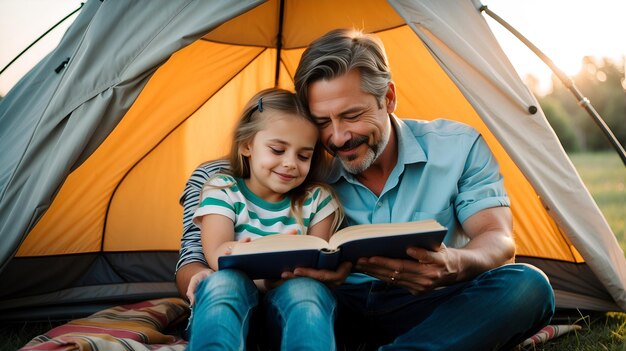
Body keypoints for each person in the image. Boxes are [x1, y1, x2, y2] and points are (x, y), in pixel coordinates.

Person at [177, 29, 555, 350]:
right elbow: (198, 259)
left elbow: (497, 237)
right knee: (301, 303)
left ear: (388, 98)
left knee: (528, 286)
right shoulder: (298, 164)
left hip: (425, 304)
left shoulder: (457, 146)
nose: (338, 137)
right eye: (322, 121)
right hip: (328, 307)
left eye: (352, 115)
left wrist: (455, 265)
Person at [185, 88, 343, 350]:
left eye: (304, 155)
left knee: (307, 291)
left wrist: (286, 272)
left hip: (286, 311)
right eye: (278, 150)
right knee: (223, 282)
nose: (291, 163)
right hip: (230, 306)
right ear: (247, 145)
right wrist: (256, 263)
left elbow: (316, 262)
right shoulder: (222, 190)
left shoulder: (317, 199)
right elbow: (217, 254)